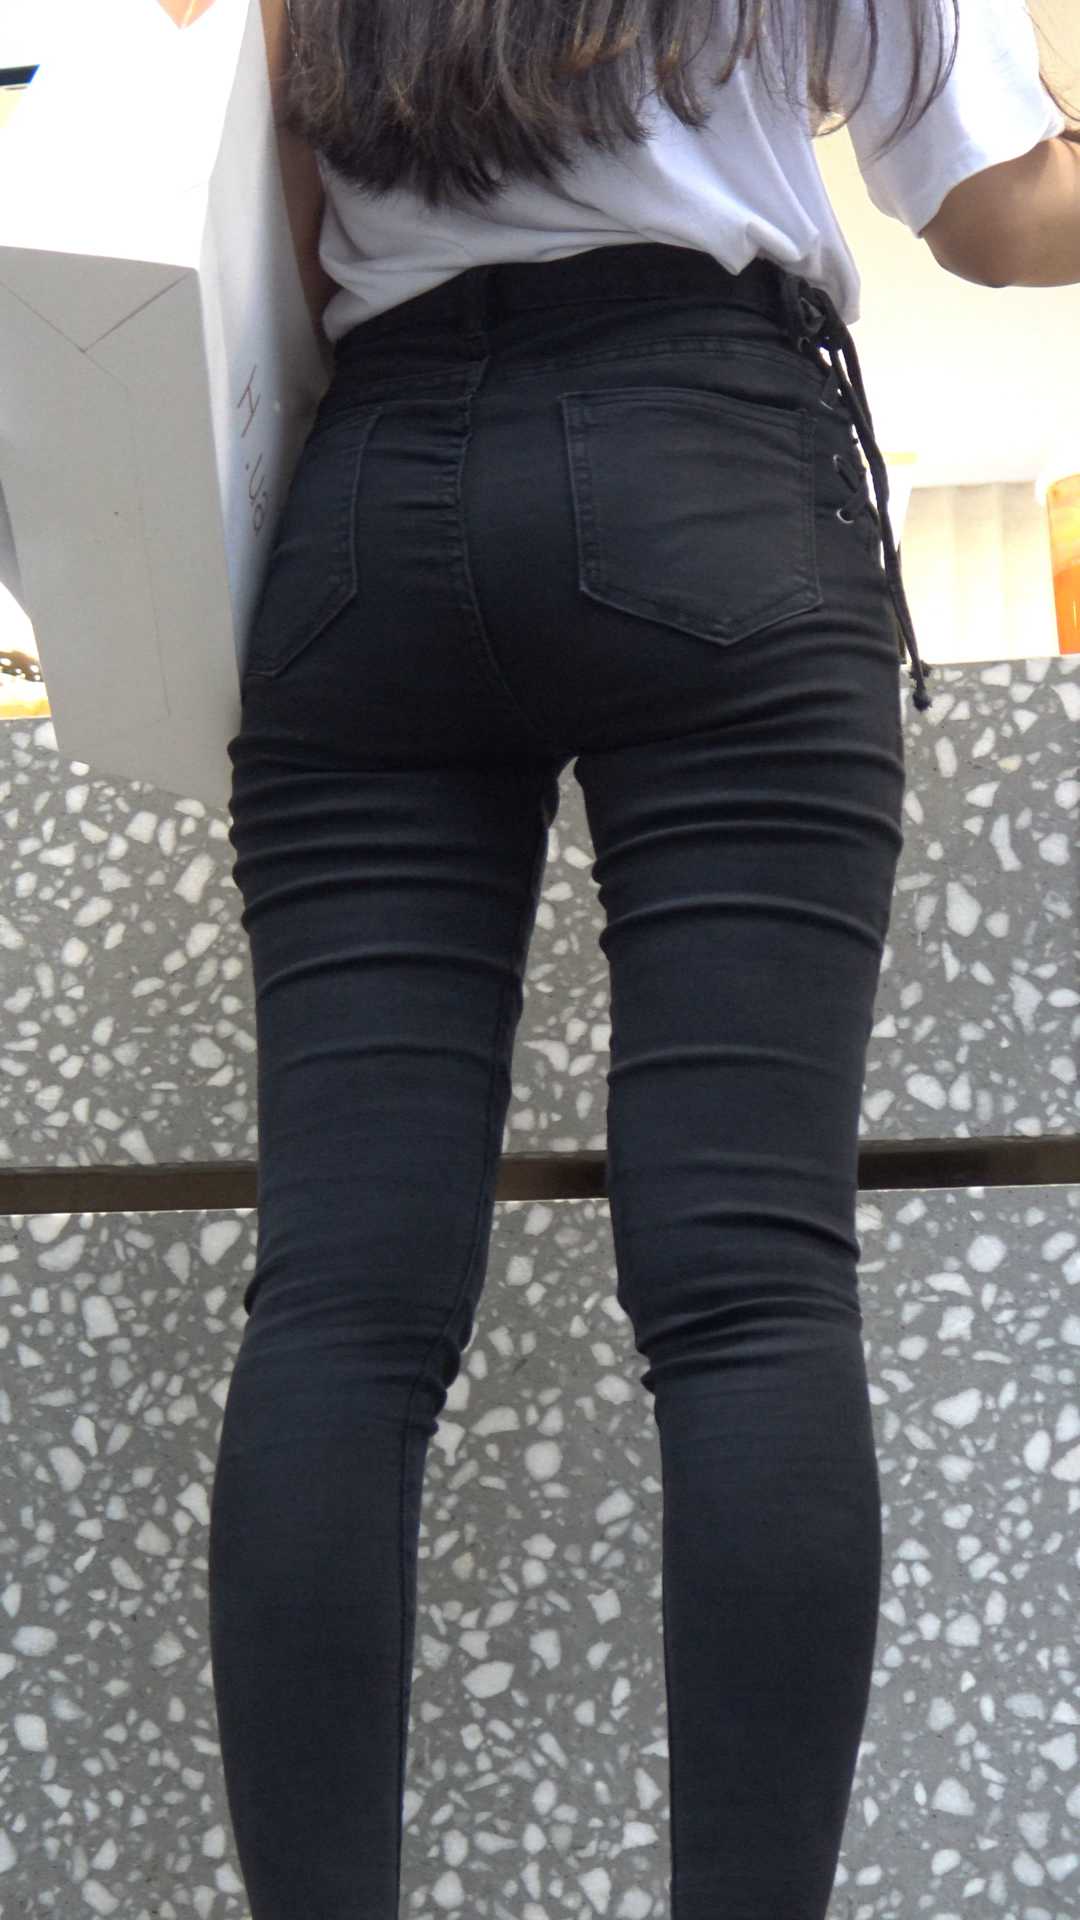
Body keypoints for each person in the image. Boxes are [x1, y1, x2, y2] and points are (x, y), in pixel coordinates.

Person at [207, 5, 1078, 1917]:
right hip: (712, 468)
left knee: (340, 1302)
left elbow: (276, 209)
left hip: (372, 503)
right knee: (748, 1286)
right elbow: (1002, 217)